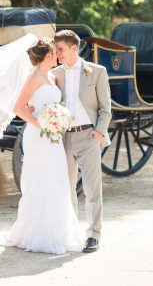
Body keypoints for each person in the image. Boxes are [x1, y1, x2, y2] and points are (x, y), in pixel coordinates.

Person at [0, 38, 84, 254]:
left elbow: (51, 104)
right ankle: (38, 233)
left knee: (57, 179)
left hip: (52, 137)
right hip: (38, 136)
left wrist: (56, 122)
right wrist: (42, 125)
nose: (58, 55)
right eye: (55, 52)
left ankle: (59, 231)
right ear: (48, 56)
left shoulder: (52, 76)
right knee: (40, 179)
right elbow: (18, 107)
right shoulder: (34, 77)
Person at [53, 30, 112, 253]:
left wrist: (98, 133)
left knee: (91, 188)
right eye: (56, 49)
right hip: (64, 137)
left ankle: (94, 235)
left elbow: (106, 109)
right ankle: (71, 232)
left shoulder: (97, 72)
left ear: (74, 49)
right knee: (67, 188)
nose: (56, 53)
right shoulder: (56, 73)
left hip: (88, 136)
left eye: (60, 49)